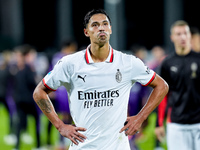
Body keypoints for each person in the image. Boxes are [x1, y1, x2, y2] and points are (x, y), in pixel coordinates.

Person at [33, 9, 168, 150]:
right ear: (86, 32)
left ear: (110, 29)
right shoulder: (70, 64)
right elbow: (39, 92)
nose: (101, 28)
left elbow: (162, 86)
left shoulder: (128, 62)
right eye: (95, 25)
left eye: (105, 24)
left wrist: (141, 117)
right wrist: (60, 126)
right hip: (83, 147)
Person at [154, 20, 200, 150]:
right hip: (176, 124)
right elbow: (162, 95)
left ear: (190, 35)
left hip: (198, 123)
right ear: (172, 37)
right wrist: (159, 123)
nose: (183, 37)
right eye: (178, 34)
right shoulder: (167, 63)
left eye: (185, 33)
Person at [11, 44, 41, 149]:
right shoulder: (27, 68)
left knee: (20, 123)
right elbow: (32, 83)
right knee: (36, 121)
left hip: (19, 99)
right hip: (28, 99)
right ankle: (38, 145)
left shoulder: (17, 69)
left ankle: (17, 146)